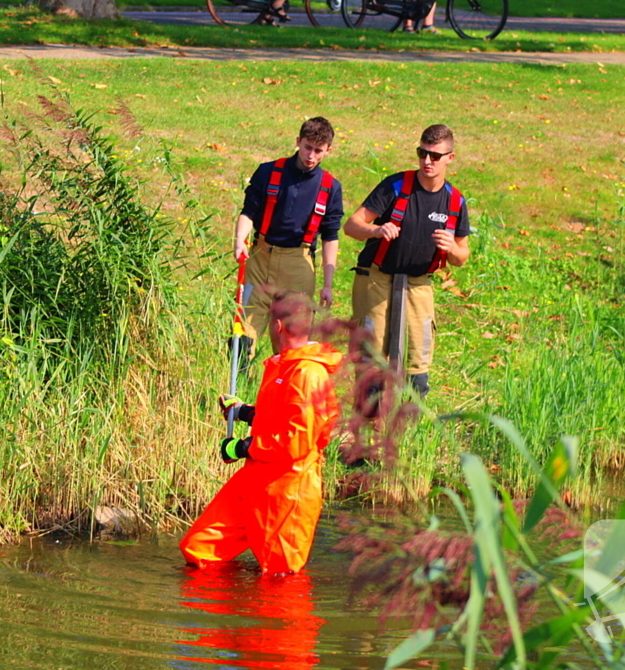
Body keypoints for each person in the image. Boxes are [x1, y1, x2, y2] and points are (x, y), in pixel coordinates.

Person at [181, 292, 342, 575]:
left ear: (277, 326)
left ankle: (255, 602)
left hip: (288, 488)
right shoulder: (282, 365)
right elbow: (279, 419)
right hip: (255, 479)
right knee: (199, 551)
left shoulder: (308, 374)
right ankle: (234, 601)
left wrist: (243, 447)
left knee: (280, 576)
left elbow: (297, 441)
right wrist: (243, 412)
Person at [344, 124, 471, 399]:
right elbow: (352, 225)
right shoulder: (396, 186)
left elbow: (462, 256)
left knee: (418, 361)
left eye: (435, 156)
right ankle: (368, 420)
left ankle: (410, 420)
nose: (427, 161)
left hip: (419, 284)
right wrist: (376, 230)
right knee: (371, 358)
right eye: (422, 153)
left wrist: (451, 248)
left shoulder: (455, 201)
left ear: (450, 158)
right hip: (377, 279)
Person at [233, 117, 343, 363]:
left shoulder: (330, 187)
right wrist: (240, 240)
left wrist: (328, 283)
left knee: (292, 346)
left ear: (328, 150)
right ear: (298, 141)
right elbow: (248, 212)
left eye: (318, 151)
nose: (311, 156)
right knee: (242, 337)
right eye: (307, 147)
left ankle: (284, 386)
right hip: (260, 259)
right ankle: (240, 384)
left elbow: (330, 236)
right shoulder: (268, 172)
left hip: (298, 266)